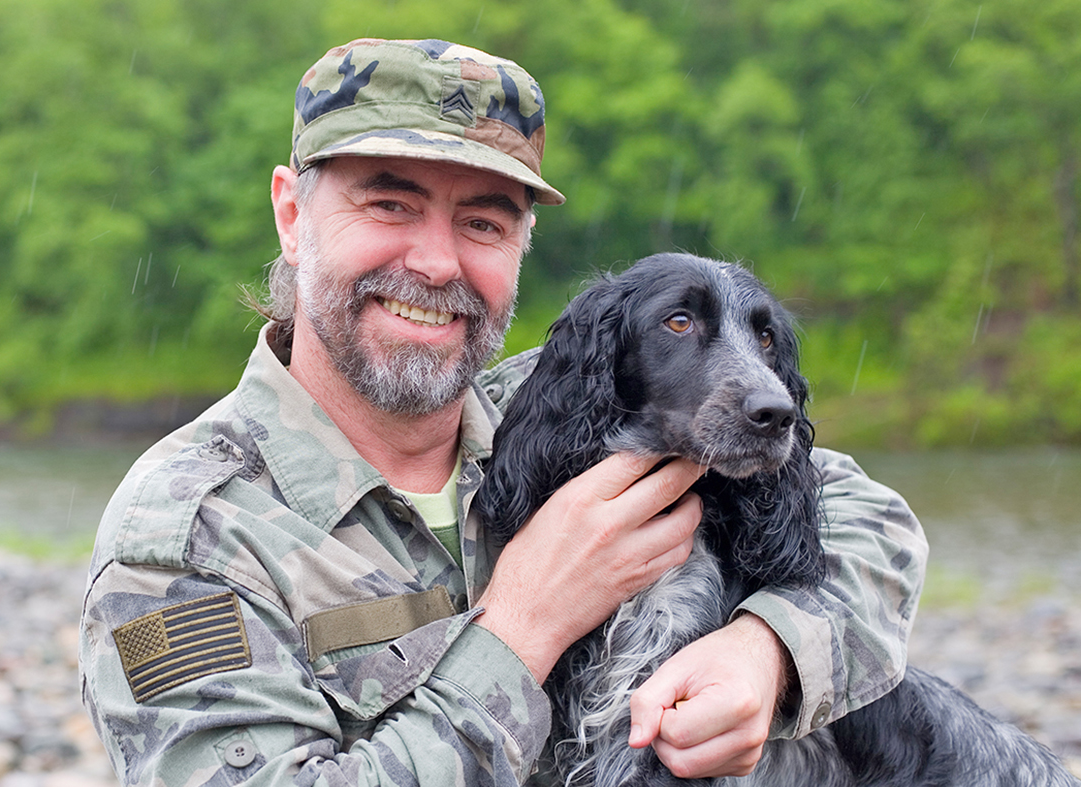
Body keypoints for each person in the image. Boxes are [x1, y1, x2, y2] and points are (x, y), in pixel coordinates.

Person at [79, 38, 927, 787]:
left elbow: (870, 521)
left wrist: (767, 651)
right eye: (390, 204)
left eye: (482, 222)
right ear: (293, 215)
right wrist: (524, 625)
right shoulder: (183, 541)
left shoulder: (578, 411)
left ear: (520, 249)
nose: (437, 261)